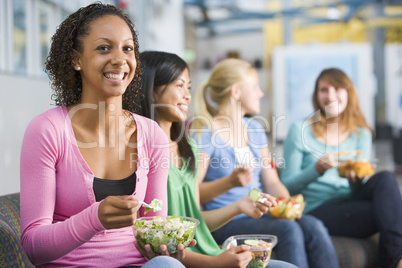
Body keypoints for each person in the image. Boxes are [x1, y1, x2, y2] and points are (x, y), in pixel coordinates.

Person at [19, 3, 190, 267]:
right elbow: (33, 246)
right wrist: (94, 218)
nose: (120, 59)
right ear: (76, 59)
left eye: (128, 48)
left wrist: (166, 245)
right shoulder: (48, 130)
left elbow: (154, 225)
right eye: (103, 48)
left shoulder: (151, 134)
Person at [137, 51, 297, 268]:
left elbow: (196, 221)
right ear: (152, 91)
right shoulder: (143, 151)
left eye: (189, 87)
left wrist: (240, 206)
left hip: (209, 252)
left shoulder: (188, 148)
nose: (187, 95)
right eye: (179, 85)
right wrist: (217, 262)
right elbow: (161, 245)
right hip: (189, 261)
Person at [190, 58, 340, 268]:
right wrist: (230, 182)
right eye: (255, 87)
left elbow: (271, 180)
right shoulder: (206, 134)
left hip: (261, 215)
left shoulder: (255, 129)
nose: (261, 93)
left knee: (313, 225)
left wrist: (288, 204)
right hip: (228, 221)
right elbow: (193, 192)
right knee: (288, 230)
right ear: (236, 91)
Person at [281, 67, 402, 268]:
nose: (330, 96)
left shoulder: (361, 133)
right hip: (316, 208)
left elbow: (356, 187)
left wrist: (357, 177)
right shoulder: (300, 130)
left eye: (337, 89)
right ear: (316, 95)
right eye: (324, 90)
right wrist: (316, 169)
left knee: (386, 179)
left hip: (350, 200)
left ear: (348, 93)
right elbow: (286, 187)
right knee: (390, 213)